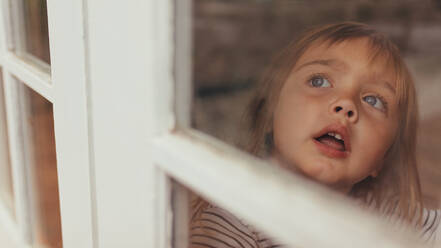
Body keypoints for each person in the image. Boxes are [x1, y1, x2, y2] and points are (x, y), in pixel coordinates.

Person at [189, 22, 440, 248]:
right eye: (319, 81)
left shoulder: (387, 214)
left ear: (381, 159)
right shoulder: (235, 220)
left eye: (373, 100)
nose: (346, 104)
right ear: (271, 113)